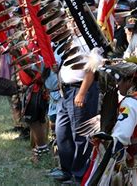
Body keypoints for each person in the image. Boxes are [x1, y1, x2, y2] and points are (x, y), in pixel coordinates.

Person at [82, 60, 137, 185]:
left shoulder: (130, 103)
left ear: (130, 81)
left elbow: (120, 137)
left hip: (136, 170)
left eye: (119, 80)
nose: (117, 85)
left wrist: (103, 140)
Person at [49, 35, 99, 182]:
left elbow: (92, 68)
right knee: (62, 132)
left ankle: (80, 174)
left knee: (81, 134)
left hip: (81, 90)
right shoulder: (68, 39)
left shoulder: (87, 38)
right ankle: (66, 170)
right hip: (66, 91)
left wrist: (82, 92)